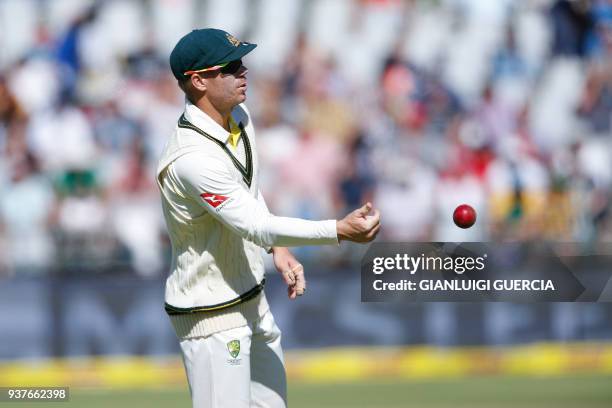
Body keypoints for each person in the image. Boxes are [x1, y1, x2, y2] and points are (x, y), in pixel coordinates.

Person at [157, 28, 380, 408]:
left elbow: (246, 193)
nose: (242, 71)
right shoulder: (192, 160)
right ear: (197, 81)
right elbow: (253, 223)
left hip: (253, 299)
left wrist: (278, 247)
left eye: (241, 63)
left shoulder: (238, 117)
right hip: (211, 316)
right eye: (229, 67)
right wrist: (337, 230)